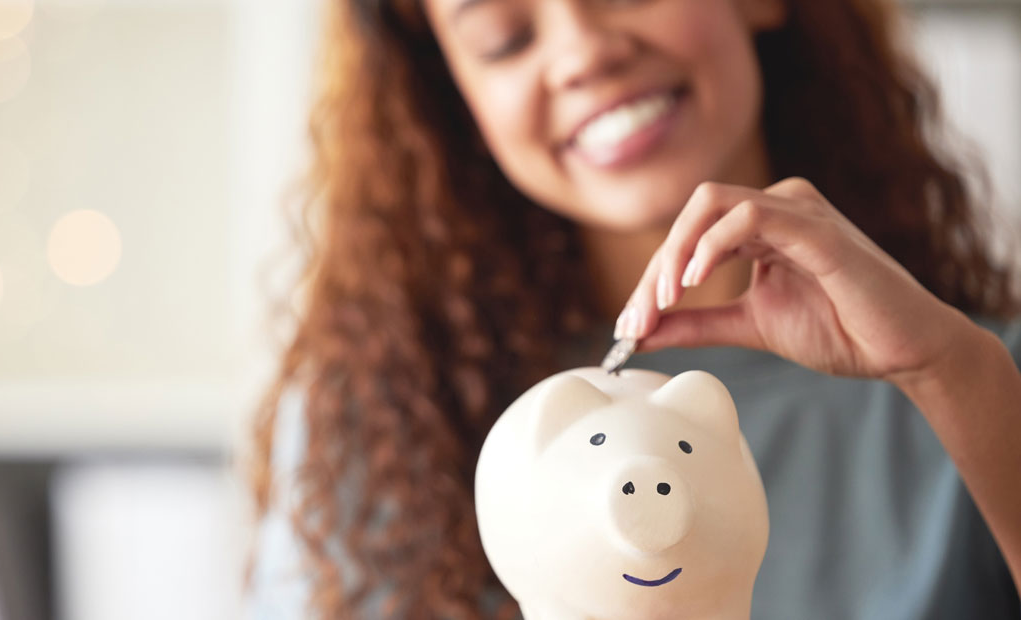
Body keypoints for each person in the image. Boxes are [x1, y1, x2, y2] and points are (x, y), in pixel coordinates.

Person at [241, 0, 1021, 617]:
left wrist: (953, 371)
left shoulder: (979, 384)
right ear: (455, 98)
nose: (582, 52)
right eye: (506, 38)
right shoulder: (381, 425)